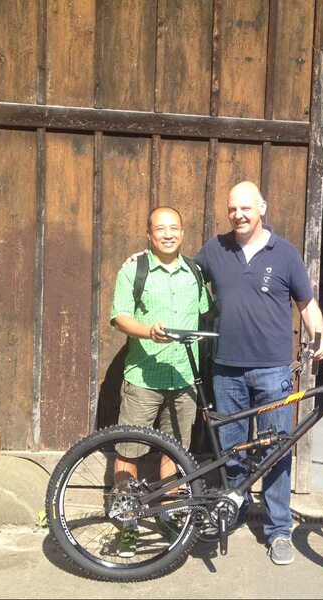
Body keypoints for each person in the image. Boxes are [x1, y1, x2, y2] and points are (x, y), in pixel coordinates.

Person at [195, 181, 323, 566]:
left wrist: (320, 340)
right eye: (232, 209)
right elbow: (184, 276)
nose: (238, 215)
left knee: (276, 450)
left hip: (273, 370)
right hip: (226, 370)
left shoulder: (285, 253)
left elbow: (307, 305)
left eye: (245, 208)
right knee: (231, 449)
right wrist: (150, 258)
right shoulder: (214, 249)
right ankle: (235, 510)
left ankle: (278, 530)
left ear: (262, 208)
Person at [110, 206, 210, 555]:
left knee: (175, 451)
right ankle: (127, 522)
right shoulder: (133, 269)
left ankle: (167, 515)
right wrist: (148, 331)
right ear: (149, 235)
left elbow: (205, 311)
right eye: (160, 229)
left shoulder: (194, 272)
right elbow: (120, 317)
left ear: (182, 233)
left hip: (183, 377)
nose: (168, 234)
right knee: (128, 450)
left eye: (174, 228)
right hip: (143, 377)